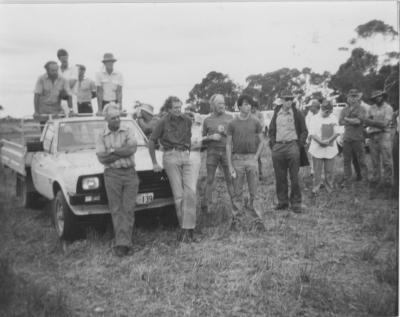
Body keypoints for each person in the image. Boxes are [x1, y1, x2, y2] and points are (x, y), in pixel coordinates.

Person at [148, 96, 197, 242]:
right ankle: (185, 230)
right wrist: (154, 162)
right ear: (169, 109)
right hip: (170, 156)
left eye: (179, 107)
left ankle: (189, 229)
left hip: (185, 155)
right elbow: (152, 141)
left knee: (191, 192)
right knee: (179, 195)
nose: (178, 110)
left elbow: (188, 138)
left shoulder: (187, 120)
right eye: (175, 108)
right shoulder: (162, 121)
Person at [95, 102, 139, 257]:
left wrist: (112, 151)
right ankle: (123, 244)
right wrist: (122, 152)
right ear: (106, 119)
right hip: (112, 175)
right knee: (116, 209)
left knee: (128, 209)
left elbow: (132, 149)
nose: (117, 120)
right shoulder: (101, 134)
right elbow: (102, 158)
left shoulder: (128, 130)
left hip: (130, 173)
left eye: (118, 117)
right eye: (113, 118)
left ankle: (124, 242)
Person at [226, 94, 265, 225]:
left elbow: (261, 141)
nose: (248, 106)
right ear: (239, 106)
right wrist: (230, 165)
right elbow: (228, 144)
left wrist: (255, 157)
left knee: (255, 191)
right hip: (237, 160)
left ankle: (257, 220)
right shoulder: (232, 123)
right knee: (237, 192)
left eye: (249, 104)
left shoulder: (256, 122)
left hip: (251, 159)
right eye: (245, 104)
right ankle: (237, 220)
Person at [268, 91, 308, 213]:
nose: (289, 102)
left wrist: (298, 145)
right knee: (280, 177)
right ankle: (282, 202)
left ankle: (296, 203)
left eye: (291, 99)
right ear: (282, 100)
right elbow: (271, 130)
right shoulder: (276, 113)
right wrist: (274, 144)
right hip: (278, 147)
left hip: (292, 146)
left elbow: (304, 131)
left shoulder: (297, 113)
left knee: (294, 177)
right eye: (286, 99)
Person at [202, 94, 235, 212]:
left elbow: (235, 136)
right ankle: (205, 207)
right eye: (219, 104)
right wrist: (211, 137)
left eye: (223, 103)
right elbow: (202, 140)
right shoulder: (207, 120)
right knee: (210, 179)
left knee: (230, 179)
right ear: (213, 105)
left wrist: (225, 132)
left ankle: (235, 207)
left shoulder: (230, 118)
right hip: (212, 152)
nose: (222, 106)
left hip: (227, 152)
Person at [308, 100, 341, 195]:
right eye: (325, 111)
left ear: (330, 111)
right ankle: (316, 189)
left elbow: (337, 132)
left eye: (329, 112)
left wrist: (329, 141)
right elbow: (312, 133)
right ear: (322, 109)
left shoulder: (333, 118)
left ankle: (329, 188)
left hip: (330, 148)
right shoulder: (314, 118)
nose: (327, 113)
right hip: (317, 148)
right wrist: (320, 142)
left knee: (329, 171)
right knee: (317, 171)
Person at [339, 88, 368, 187]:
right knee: (346, 160)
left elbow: (359, 121)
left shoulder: (361, 108)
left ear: (357, 98)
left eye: (355, 96)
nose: (353, 99)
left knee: (361, 160)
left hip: (358, 138)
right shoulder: (344, 109)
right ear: (348, 98)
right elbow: (340, 121)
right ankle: (347, 180)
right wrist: (352, 120)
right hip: (347, 138)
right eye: (351, 96)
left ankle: (364, 179)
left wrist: (346, 119)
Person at [364, 90, 394, 188]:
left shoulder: (388, 108)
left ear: (383, 96)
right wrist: (374, 122)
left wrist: (372, 122)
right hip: (373, 136)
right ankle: (376, 180)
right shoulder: (371, 108)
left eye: (379, 96)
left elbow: (385, 124)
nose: (377, 98)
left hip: (384, 135)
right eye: (375, 97)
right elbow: (365, 121)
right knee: (374, 160)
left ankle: (387, 182)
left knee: (386, 160)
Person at [34, 61, 73, 128]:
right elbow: (37, 95)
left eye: (56, 70)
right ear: (47, 70)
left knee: (59, 132)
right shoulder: (41, 79)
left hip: (56, 111)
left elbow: (69, 95)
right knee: (45, 133)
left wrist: (71, 110)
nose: (55, 72)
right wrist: (36, 112)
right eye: (52, 70)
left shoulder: (63, 80)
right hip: (44, 111)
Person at [251, 100, 266, 180]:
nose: (252, 109)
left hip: (257, 137)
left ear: (256, 107)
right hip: (249, 137)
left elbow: (261, 124)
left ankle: (260, 173)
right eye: (251, 107)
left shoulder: (259, 114)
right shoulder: (248, 114)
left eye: (254, 108)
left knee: (258, 156)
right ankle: (252, 174)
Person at [305, 99, 321, 176]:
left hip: (319, 138)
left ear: (315, 107)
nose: (310, 108)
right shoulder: (309, 114)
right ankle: (312, 170)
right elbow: (308, 126)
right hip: (311, 137)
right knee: (311, 154)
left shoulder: (322, 114)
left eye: (311, 106)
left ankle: (319, 172)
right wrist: (309, 137)